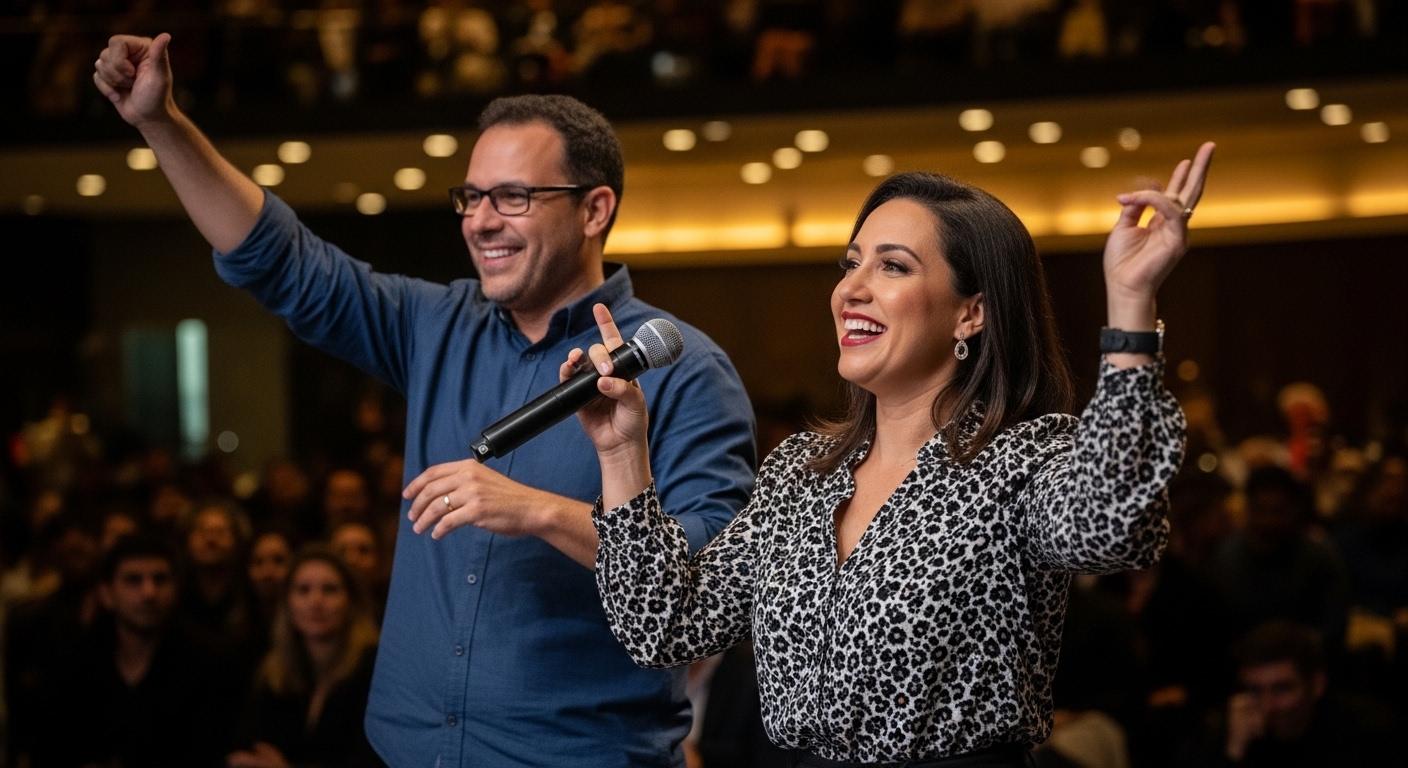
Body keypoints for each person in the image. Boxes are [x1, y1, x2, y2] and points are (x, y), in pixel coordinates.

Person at [93, 33, 756, 767]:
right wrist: (162, 122)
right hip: (405, 751)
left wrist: (535, 510)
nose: (479, 220)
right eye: (471, 197)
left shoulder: (684, 367)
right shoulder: (438, 323)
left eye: (513, 196)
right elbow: (279, 261)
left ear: (595, 209)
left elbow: (707, 589)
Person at [568, 144, 1215, 766]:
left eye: (893, 266)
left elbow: (1111, 530)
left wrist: (1130, 303)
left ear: (972, 314)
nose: (852, 288)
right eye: (851, 263)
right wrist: (623, 450)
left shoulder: (1019, 459)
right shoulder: (803, 471)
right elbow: (665, 625)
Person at [34, 534, 243, 766]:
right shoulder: (75, 663)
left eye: (160, 579)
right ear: (107, 594)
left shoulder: (211, 662)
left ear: (176, 589)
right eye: (133, 580)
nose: (149, 593)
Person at [229, 547, 382, 768]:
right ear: (288, 603)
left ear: (351, 602)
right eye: (303, 590)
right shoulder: (274, 671)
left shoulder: (375, 670)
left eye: (329, 590)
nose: (315, 601)